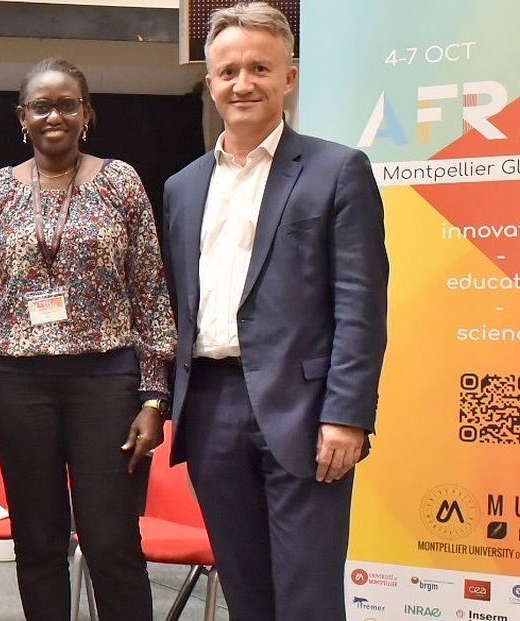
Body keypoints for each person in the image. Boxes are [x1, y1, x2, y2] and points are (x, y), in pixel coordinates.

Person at [161, 3, 389, 619]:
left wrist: (346, 415)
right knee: (247, 595)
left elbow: (361, 305)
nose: (243, 83)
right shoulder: (182, 186)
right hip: (210, 409)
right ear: (210, 82)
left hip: (306, 412)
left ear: (289, 77)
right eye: (228, 70)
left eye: (260, 68)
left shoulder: (337, 170)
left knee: (307, 598)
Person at [0, 58, 176, 620]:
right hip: (14, 384)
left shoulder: (120, 182)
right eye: (41, 106)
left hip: (106, 382)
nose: (55, 116)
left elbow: (149, 289)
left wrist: (154, 398)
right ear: (22, 117)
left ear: (87, 113)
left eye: (68, 105)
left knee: (111, 540)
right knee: (37, 541)